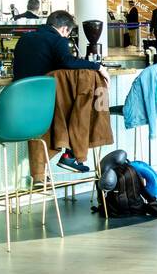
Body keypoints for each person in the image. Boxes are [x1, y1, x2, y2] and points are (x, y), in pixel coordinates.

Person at [12, 10, 107, 173]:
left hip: (20, 102)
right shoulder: (57, 40)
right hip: (44, 105)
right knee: (81, 106)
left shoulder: (25, 38)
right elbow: (68, 62)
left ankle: (45, 170)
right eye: (68, 33)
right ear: (64, 29)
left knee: (72, 98)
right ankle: (70, 154)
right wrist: (98, 67)